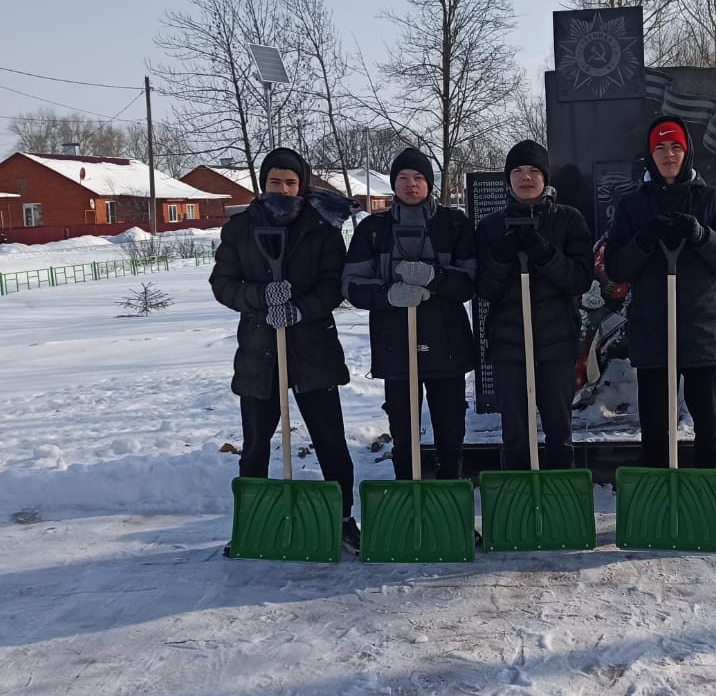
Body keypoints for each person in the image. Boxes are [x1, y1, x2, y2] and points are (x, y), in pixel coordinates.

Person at [209, 146, 359, 552]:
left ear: (302, 185)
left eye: (291, 182)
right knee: (255, 443)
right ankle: (252, 523)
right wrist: (259, 297)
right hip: (261, 352)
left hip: (313, 350)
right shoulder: (241, 228)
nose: (283, 188)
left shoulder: (322, 227)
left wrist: (298, 309)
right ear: (263, 184)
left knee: (331, 441)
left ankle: (343, 517)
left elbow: (333, 284)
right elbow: (223, 284)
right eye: (275, 181)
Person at [602, 115, 716, 469]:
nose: (669, 154)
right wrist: (643, 241)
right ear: (651, 155)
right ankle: (659, 506)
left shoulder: (713, 202)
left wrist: (702, 236)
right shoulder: (633, 206)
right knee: (655, 429)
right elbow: (617, 267)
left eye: (676, 147)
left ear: (687, 152)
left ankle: (704, 504)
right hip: (654, 333)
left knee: (709, 427)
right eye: (661, 148)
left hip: (703, 333)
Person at [342, 147, 477, 483]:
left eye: (418, 178)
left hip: (446, 343)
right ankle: (408, 496)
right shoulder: (374, 229)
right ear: (393, 185)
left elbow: (472, 281)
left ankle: (449, 502)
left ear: (430, 183)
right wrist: (388, 295)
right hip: (395, 344)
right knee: (404, 432)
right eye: (403, 178)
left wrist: (436, 279)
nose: (411, 184)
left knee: (450, 431)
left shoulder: (453, 223)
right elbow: (351, 285)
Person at [474, 140, 593, 470]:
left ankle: (559, 497)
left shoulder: (569, 221)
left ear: (546, 177)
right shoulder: (491, 227)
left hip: (556, 343)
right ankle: (519, 500)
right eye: (517, 171)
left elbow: (580, 280)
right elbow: (484, 287)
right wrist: (500, 256)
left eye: (533, 171)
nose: (525, 177)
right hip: (508, 346)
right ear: (508, 179)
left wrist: (546, 255)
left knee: (559, 428)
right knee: (514, 433)